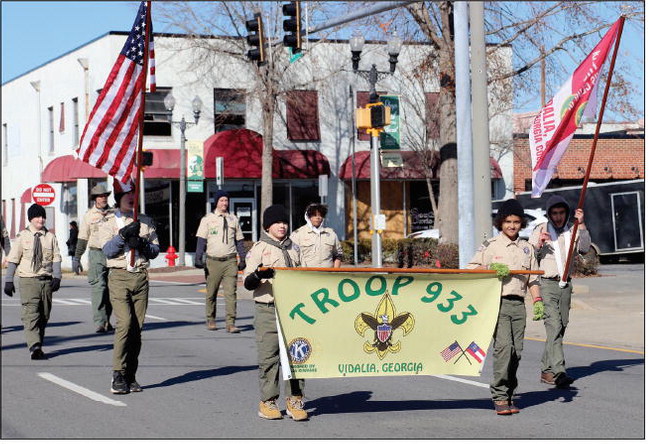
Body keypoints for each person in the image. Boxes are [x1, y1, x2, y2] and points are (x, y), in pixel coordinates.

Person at [467, 199, 541, 415]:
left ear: (521, 223)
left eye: (516, 221)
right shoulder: (490, 246)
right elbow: (470, 269)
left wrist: (537, 300)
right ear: (501, 222)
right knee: (504, 349)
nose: (512, 226)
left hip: (518, 305)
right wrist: (489, 267)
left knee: (516, 352)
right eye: (508, 221)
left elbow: (533, 279)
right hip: (496, 304)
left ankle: (509, 393)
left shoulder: (527, 248)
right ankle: (499, 395)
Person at [243, 204, 307, 421]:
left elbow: (304, 275)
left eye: (284, 222)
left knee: (295, 356)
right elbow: (247, 282)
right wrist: (258, 275)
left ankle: (295, 399)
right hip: (267, 308)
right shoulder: (259, 248)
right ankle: (268, 401)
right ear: (267, 226)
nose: (282, 225)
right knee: (269, 357)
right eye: (277, 222)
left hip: (293, 310)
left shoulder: (294, 248)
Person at [98, 181, 160, 394]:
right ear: (118, 197)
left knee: (136, 329)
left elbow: (155, 250)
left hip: (140, 278)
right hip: (119, 277)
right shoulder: (108, 221)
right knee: (124, 324)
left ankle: (130, 375)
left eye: (134, 193)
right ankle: (117, 374)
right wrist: (123, 236)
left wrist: (142, 244)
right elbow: (106, 250)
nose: (132, 196)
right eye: (127, 193)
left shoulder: (145, 221)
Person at [529, 195, 591, 388]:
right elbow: (529, 256)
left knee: (562, 325)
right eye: (554, 213)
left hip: (565, 284)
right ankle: (559, 371)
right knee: (554, 326)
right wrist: (538, 244)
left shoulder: (572, 230)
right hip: (546, 284)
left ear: (566, 213)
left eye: (561, 213)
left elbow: (585, 248)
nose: (557, 217)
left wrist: (581, 225)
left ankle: (546, 371)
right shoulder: (540, 229)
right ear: (549, 214)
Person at [3, 204, 62, 360]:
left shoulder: (50, 237)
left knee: (44, 315)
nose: (40, 219)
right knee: (31, 315)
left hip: (46, 281)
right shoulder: (23, 237)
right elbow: (13, 259)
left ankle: (38, 344)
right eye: (37, 216)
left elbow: (56, 258)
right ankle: (34, 346)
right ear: (30, 218)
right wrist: (9, 280)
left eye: (43, 216)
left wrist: (57, 277)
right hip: (28, 281)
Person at [194, 190, 247, 333]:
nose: (224, 203)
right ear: (216, 202)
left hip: (230, 261)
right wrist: (198, 258)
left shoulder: (233, 219)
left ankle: (231, 323)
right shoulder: (207, 219)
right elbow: (201, 240)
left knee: (231, 293)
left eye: (226, 200)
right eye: (221, 200)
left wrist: (242, 258)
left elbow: (239, 241)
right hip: (213, 261)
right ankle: (210, 319)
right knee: (211, 292)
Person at [74, 184, 114, 333]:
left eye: (105, 195)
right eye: (100, 196)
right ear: (95, 199)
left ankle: (107, 320)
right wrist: (77, 258)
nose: (103, 198)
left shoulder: (114, 214)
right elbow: (83, 237)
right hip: (96, 253)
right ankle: (99, 321)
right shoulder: (89, 216)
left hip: (114, 254)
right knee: (99, 287)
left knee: (112, 289)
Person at [290, 203, 343, 268]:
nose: (318, 217)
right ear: (308, 217)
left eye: (321, 215)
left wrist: (335, 272)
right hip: (306, 275)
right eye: (314, 215)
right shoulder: (297, 234)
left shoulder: (331, 233)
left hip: (328, 275)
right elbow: (292, 257)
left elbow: (338, 254)